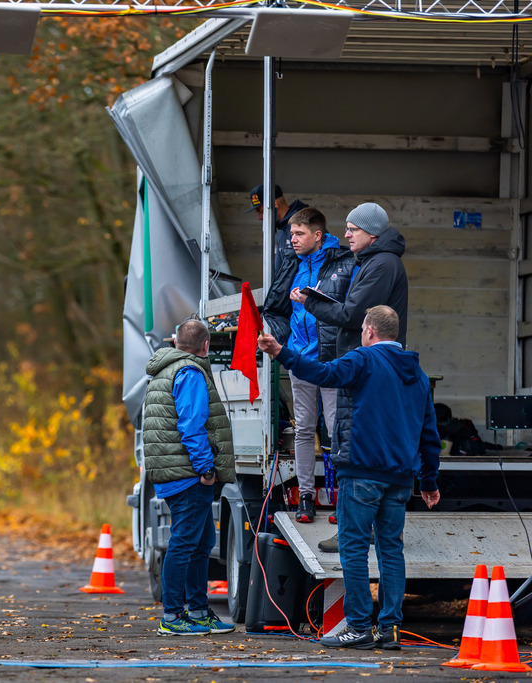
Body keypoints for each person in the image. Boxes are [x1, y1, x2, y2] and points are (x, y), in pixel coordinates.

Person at [258, 306, 440, 650]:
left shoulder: (363, 360)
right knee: (391, 551)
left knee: (354, 550)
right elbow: (429, 434)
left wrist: (281, 352)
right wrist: (429, 483)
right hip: (400, 479)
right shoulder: (418, 374)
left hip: (361, 473)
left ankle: (357, 627)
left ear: (369, 331)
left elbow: (322, 373)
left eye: (362, 330)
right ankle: (390, 629)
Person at [291, 202, 409, 549]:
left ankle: (353, 531)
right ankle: (354, 527)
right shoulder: (373, 261)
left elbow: (352, 313)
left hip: (369, 369)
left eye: (352, 229)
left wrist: (310, 303)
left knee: (352, 444)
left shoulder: (382, 264)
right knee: (348, 440)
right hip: (366, 365)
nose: (345, 235)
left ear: (372, 233)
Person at [143, 319, 236, 636]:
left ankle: (198, 612)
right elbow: (191, 427)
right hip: (188, 474)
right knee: (184, 544)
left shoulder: (163, 371)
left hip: (173, 472)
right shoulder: (190, 372)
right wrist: (206, 469)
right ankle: (172, 616)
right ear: (206, 346)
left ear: (175, 342)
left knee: (201, 542)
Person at [261, 207, 355, 523]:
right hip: (300, 359)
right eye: (291, 234)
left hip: (330, 359)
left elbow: (351, 310)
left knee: (335, 427)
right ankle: (305, 497)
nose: (293, 240)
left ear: (317, 235)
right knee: (303, 428)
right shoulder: (291, 264)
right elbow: (274, 308)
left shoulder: (344, 263)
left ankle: (344, 499)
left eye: (299, 234)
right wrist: (284, 341)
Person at [246, 183, 308, 274]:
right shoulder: (282, 230)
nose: (259, 217)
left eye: (261, 211)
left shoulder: (303, 225)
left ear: (274, 204)